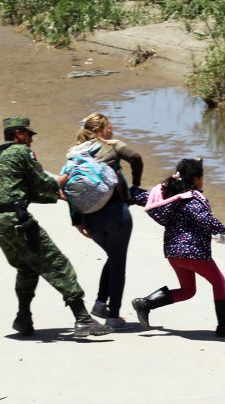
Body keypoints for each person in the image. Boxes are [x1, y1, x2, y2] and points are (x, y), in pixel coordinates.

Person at [0, 116, 112, 337]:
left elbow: (27, 191)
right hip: (15, 221)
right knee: (57, 264)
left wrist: (56, 195)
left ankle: (23, 318)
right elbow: (43, 182)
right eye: (29, 135)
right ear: (19, 134)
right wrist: (70, 175)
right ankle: (82, 319)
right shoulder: (22, 152)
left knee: (27, 268)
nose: (31, 140)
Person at [131, 157, 225, 337]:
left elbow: (144, 197)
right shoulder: (191, 199)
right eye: (202, 176)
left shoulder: (170, 196)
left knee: (188, 290)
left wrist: (127, 193)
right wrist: (224, 231)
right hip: (192, 252)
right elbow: (204, 218)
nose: (203, 180)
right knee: (218, 281)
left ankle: (145, 303)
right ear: (195, 179)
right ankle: (224, 326)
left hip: (173, 253)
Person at [65, 112, 144, 328]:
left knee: (113, 256)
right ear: (100, 129)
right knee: (118, 264)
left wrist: (77, 220)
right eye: (109, 127)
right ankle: (113, 316)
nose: (113, 131)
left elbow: (73, 188)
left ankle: (100, 303)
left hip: (89, 216)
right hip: (116, 213)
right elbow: (136, 158)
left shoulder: (74, 153)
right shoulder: (112, 145)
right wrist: (135, 186)